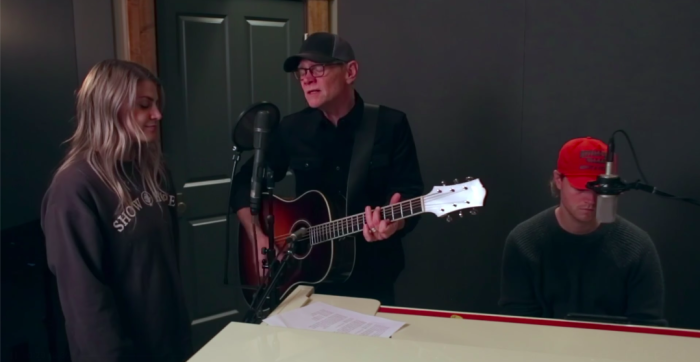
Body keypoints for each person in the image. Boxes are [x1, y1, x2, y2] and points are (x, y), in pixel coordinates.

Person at [230, 32, 424, 305]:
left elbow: (409, 193)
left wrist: (395, 222)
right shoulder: (291, 129)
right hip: (304, 279)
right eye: (301, 72)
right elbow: (243, 185)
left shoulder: (390, 125)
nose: (307, 79)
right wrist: (259, 235)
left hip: (372, 276)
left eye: (317, 69)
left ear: (350, 71)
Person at [41, 59, 193, 362]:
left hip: (169, 344)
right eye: (144, 105)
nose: (157, 115)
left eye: (156, 104)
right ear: (109, 108)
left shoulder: (155, 171)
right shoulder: (74, 188)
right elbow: (85, 303)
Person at [498, 136, 667, 326]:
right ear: (558, 180)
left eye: (598, 189)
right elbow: (516, 323)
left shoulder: (637, 247)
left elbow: (648, 328)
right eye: (580, 188)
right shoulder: (524, 241)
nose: (591, 199)